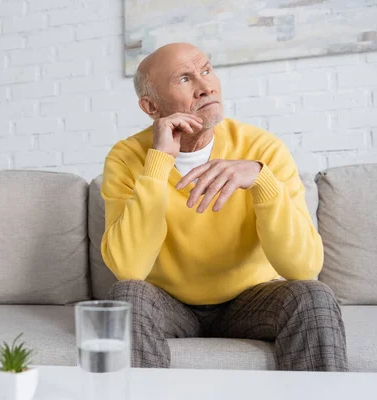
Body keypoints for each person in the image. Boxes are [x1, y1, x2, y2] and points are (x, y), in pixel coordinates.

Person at [102, 43, 348, 371]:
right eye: (185, 79)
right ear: (151, 106)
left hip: (250, 302)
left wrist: (262, 180)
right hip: (170, 304)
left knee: (313, 296)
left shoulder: (262, 148)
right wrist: (159, 161)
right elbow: (128, 268)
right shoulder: (126, 156)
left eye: (206, 70)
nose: (207, 87)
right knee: (127, 297)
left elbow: (304, 269)